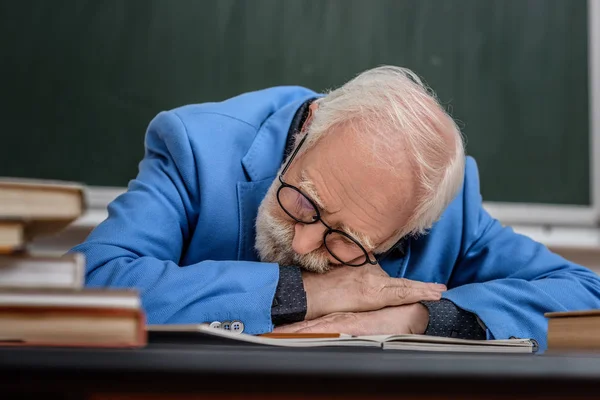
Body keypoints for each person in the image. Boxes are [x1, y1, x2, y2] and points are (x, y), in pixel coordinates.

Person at [71, 66, 600, 350]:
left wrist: (416, 317)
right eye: (303, 202)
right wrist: (307, 291)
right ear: (307, 128)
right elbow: (93, 284)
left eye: (345, 241)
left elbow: (585, 298)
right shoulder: (194, 146)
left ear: (405, 233)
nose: (302, 244)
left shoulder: (444, 207)